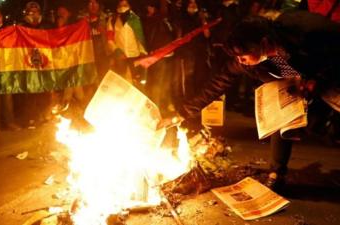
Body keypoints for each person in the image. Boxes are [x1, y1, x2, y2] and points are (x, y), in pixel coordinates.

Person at [172, 14, 340, 191]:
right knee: (280, 114)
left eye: (243, 56)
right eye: (237, 57)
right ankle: (277, 172)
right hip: (299, 78)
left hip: (332, 71)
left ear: (265, 43)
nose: (240, 60)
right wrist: (182, 113)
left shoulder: (308, 37)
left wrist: (318, 79)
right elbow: (218, 82)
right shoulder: (251, 59)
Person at [141, 0, 175, 114]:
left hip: (161, 54)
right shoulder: (154, 20)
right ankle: (157, 106)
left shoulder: (159, 20)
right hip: (157, 55)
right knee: (156, 82)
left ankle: (159, 105)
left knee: (160, 82)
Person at [107, 0, 147, 84]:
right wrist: (117, 51)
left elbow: (140, 38)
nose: (122, 7)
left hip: (134, 56)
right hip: (120, 57)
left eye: (125, 5)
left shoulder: (135, 19)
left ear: (130, 5)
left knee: (136, 82)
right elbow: (109, 39)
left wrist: (142, 52)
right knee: (122, 82)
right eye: (120, 5)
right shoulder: (112, 20)